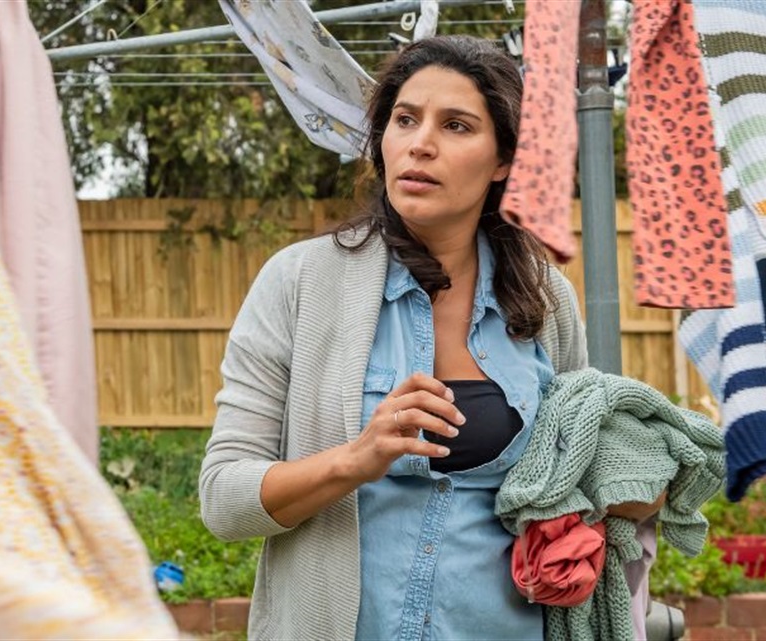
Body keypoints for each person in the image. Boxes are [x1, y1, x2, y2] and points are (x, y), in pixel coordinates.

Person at [199, 35, 660, 640]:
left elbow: (575, 479)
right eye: (405, 119)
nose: (421, 143)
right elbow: (223, 501)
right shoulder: (300, 283)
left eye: (457, 126)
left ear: (502, 161)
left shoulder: (548, 302)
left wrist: (629, 486)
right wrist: (353, 461)